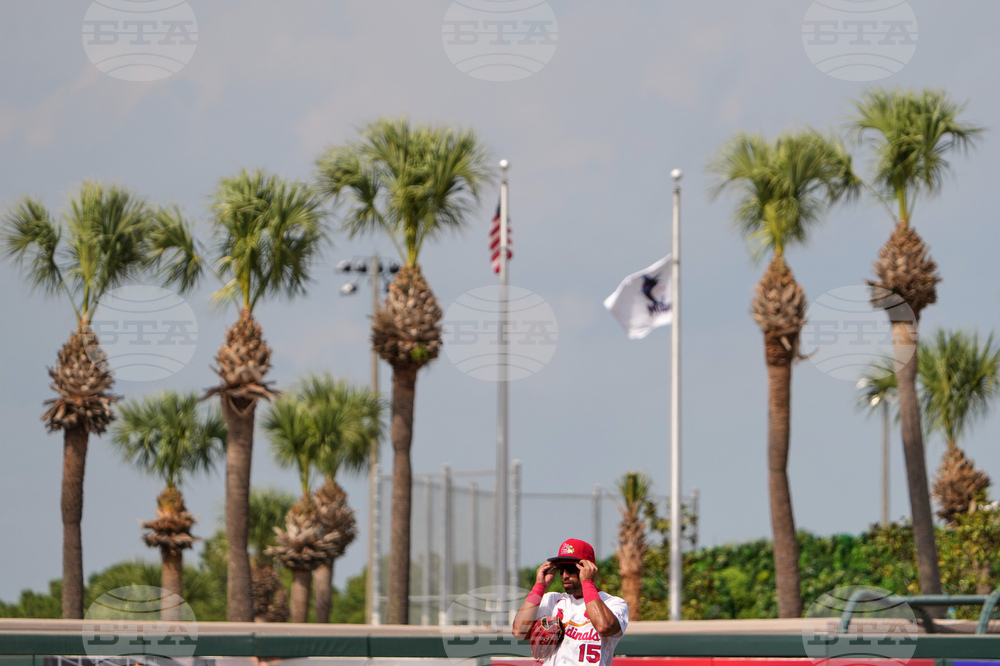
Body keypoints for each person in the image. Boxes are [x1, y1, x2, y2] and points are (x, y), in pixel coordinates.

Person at [512, 538, 629, 666]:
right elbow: (519, 631)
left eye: (570, 568)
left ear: (589, 568)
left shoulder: (613, 603)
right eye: (561, 569)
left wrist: (588, 583)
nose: (565, 575)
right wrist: (539, 586)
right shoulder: (553, 600)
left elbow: (604, 626)